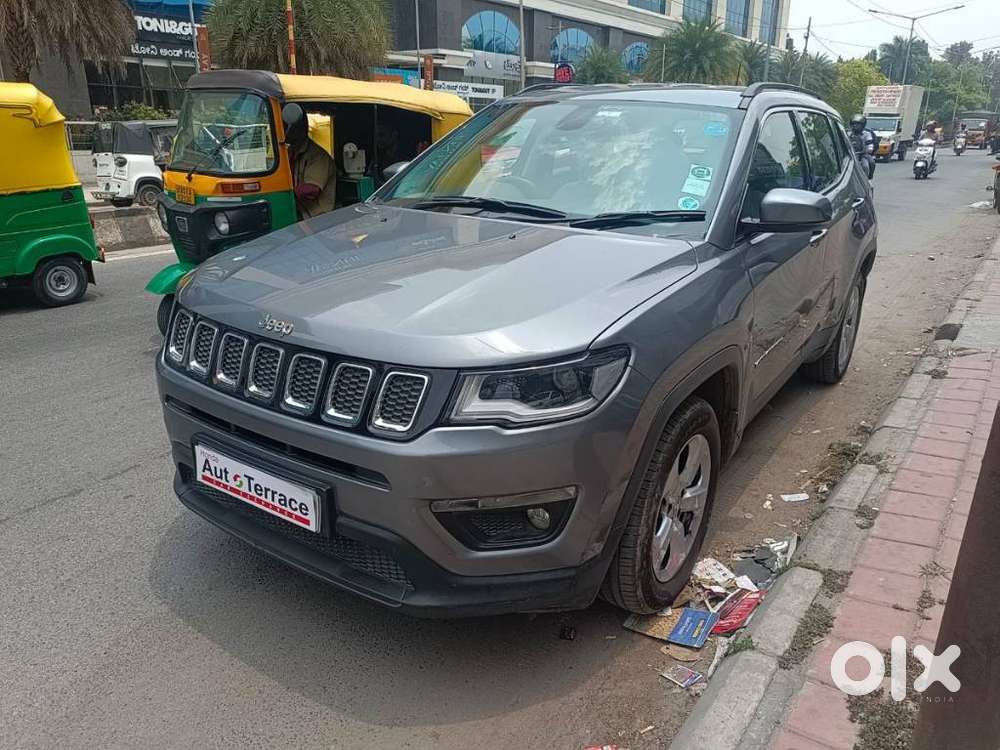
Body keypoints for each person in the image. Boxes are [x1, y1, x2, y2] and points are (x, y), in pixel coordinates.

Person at [849, 114, 876, 179]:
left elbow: (870, 145)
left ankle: (867, 179)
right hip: (849, 155)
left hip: (862, 154)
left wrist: (869, 149)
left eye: (858, 124)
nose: (855, 126)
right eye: (854, 124)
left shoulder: (867, 134)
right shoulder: (847, 133)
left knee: (868, 164)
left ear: (863, 125)